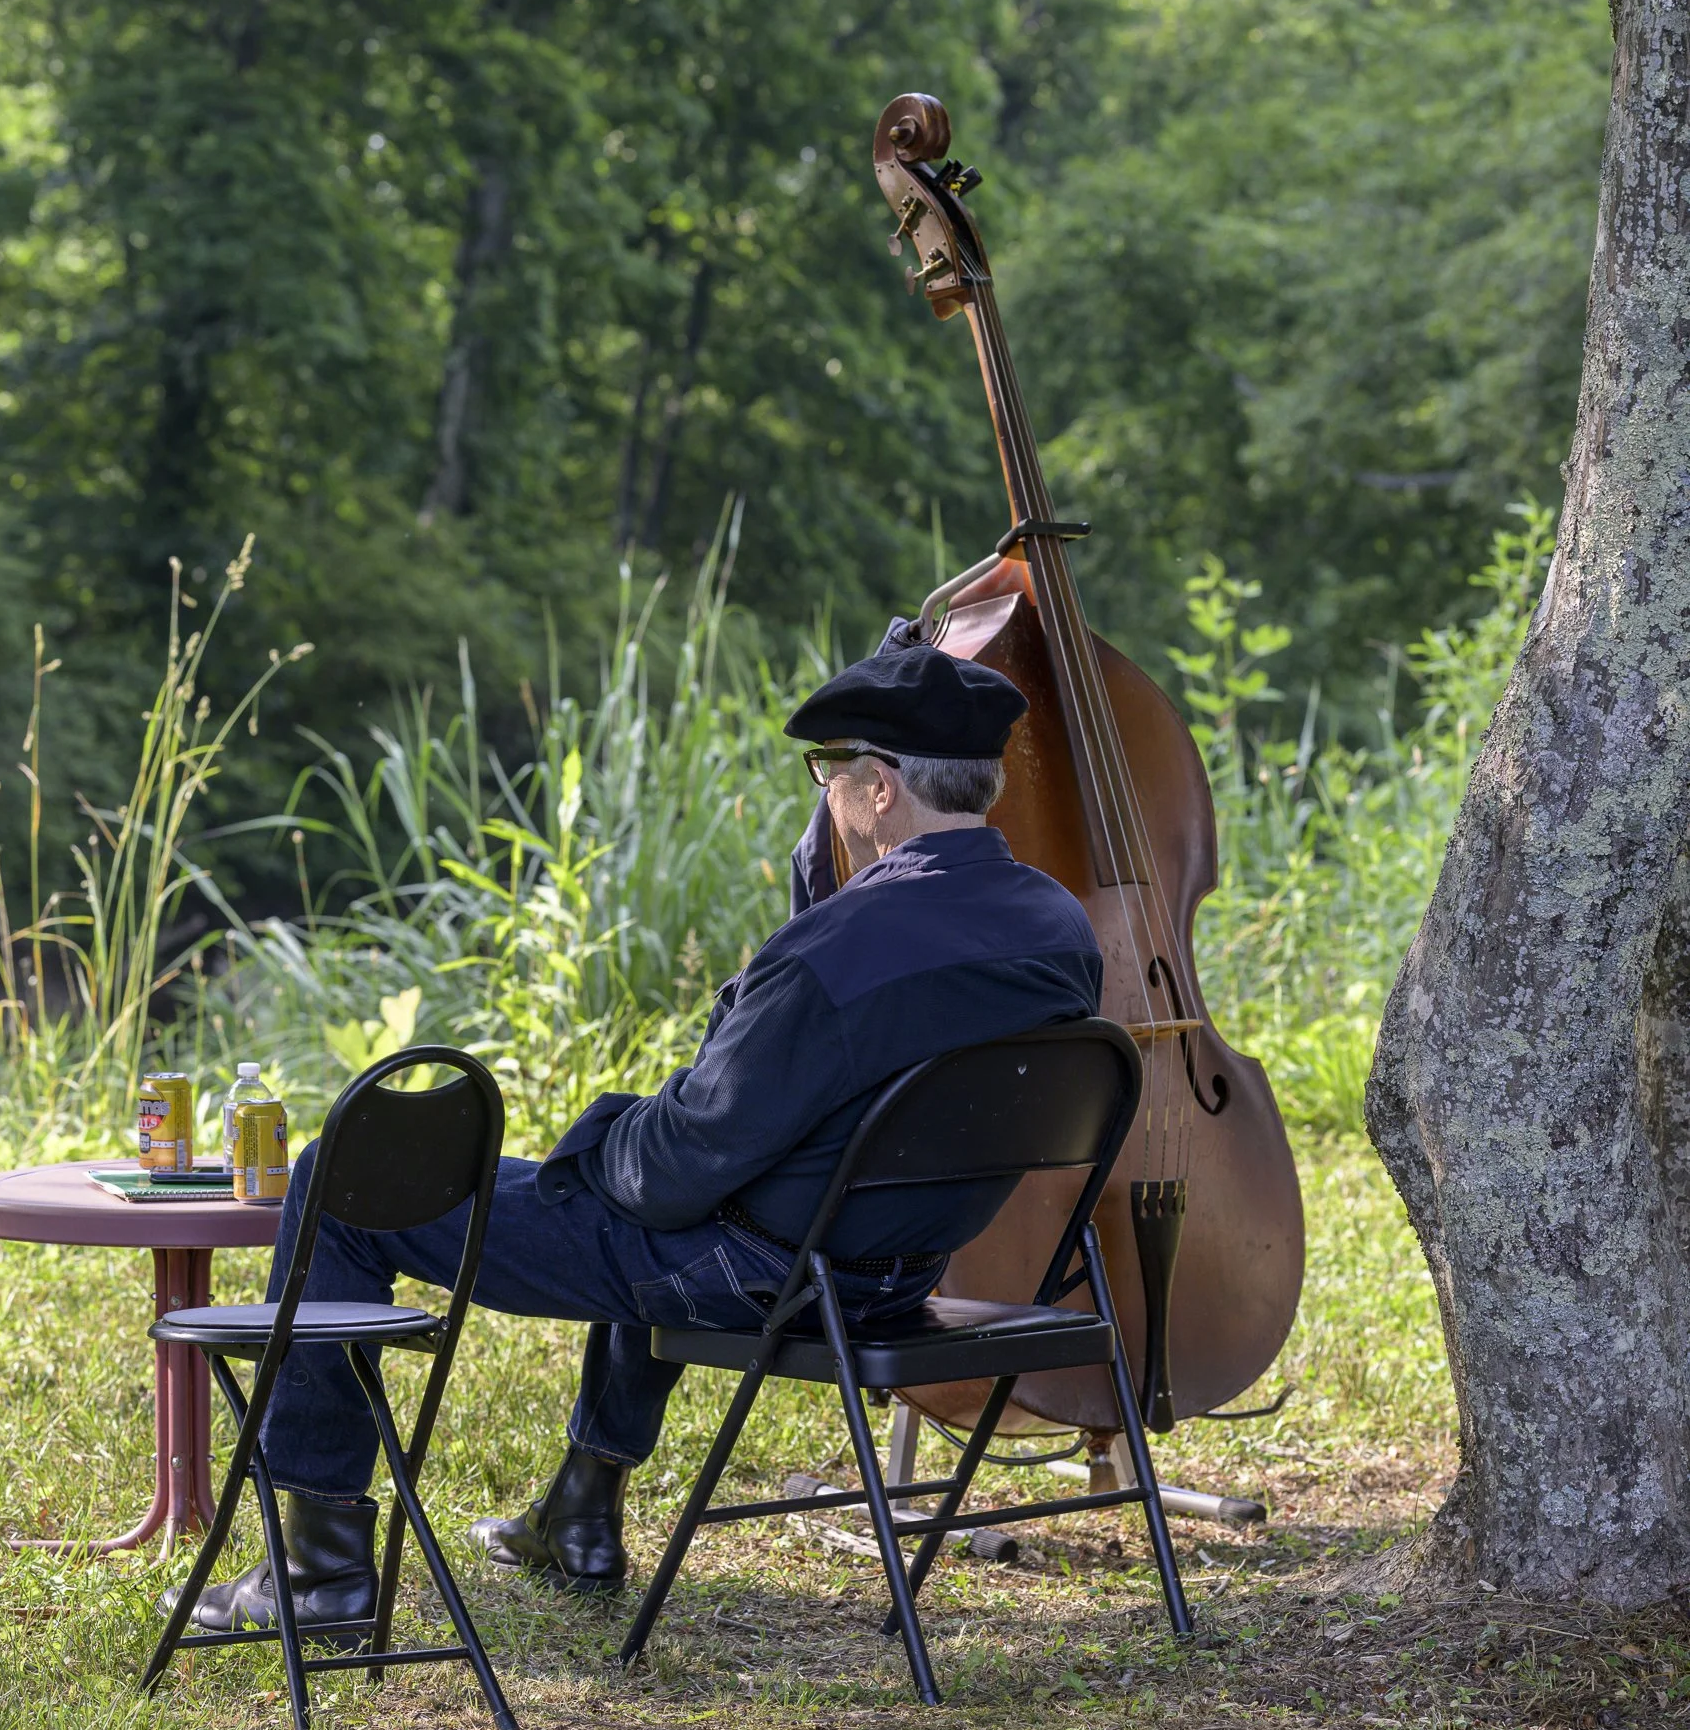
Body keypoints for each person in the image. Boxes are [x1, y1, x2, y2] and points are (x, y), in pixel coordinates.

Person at [169, 641, 1102, 1641]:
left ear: (879, 790)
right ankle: (580, 1511)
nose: (824, 794)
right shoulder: (1056, 927)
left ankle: (316, 1573)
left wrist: (604, 1136)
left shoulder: (837, 958)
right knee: (671, 1181)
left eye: (828, 773)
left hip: (761, 1272)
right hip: (892, 1266)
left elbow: (668, 1172)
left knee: (342, 1179)